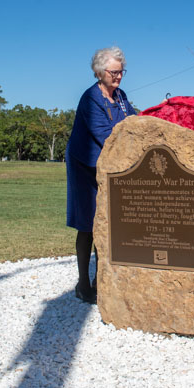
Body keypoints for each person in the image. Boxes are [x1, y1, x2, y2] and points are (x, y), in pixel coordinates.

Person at [65, 46, 136, 303]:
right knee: (89, 224)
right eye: (113, 72)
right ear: (99, 71)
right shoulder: (91, 98)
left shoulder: (120, 96)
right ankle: (83, 284)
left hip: (108, 167)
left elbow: (132, 121)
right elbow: (104, 133)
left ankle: (101, 280)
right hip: (86, 166)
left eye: (121, 71)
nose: (118, 76)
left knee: (107, 223)